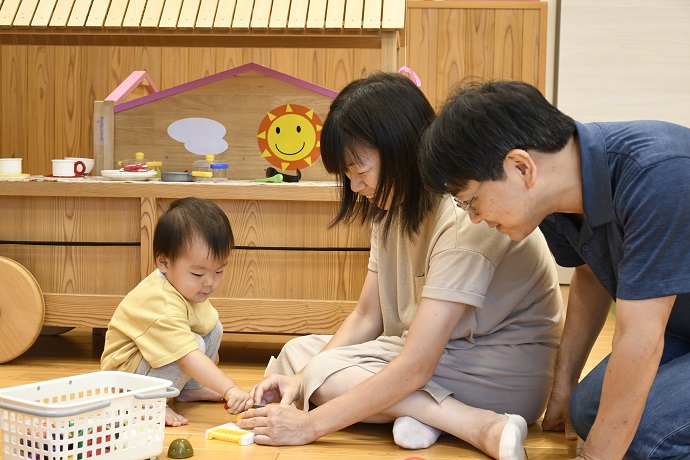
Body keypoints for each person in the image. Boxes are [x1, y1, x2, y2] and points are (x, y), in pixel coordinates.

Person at [236, 73, 564, 460]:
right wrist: (297, 379)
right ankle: (429, 416)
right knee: (298, 355)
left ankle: (481, 426)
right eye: (348, 176)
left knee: (324, 372)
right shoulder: (390, 209)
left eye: (360, 172)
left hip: (497, 370)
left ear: (401, 150)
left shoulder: (465, 216)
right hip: (438, 356)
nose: (355, 186)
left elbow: (416, 365)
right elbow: (365, 316)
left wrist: (308, 426)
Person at [418, 79, 690, 459]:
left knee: (643, 437)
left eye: (472, 202)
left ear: (520, 167)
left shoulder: (656, 176)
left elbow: (640, 340)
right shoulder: (553, 198)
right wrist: (563, 387)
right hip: (679, 330)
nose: (475, 219)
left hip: (661, 332)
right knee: (586, 411)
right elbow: (590, 274)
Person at [101, 197, 252, 426]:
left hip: (152, 363)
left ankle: (186, 390)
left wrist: (207, 373)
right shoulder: (160, 302)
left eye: (219, 271)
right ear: (164, 263)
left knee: (213, 329)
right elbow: (187, 358)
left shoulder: (186, 288)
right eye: (198, 274)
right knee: (193, 346)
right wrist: (229, 388)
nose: (209, 282)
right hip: (126, 379)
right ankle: (148, 403)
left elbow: (206, 334)